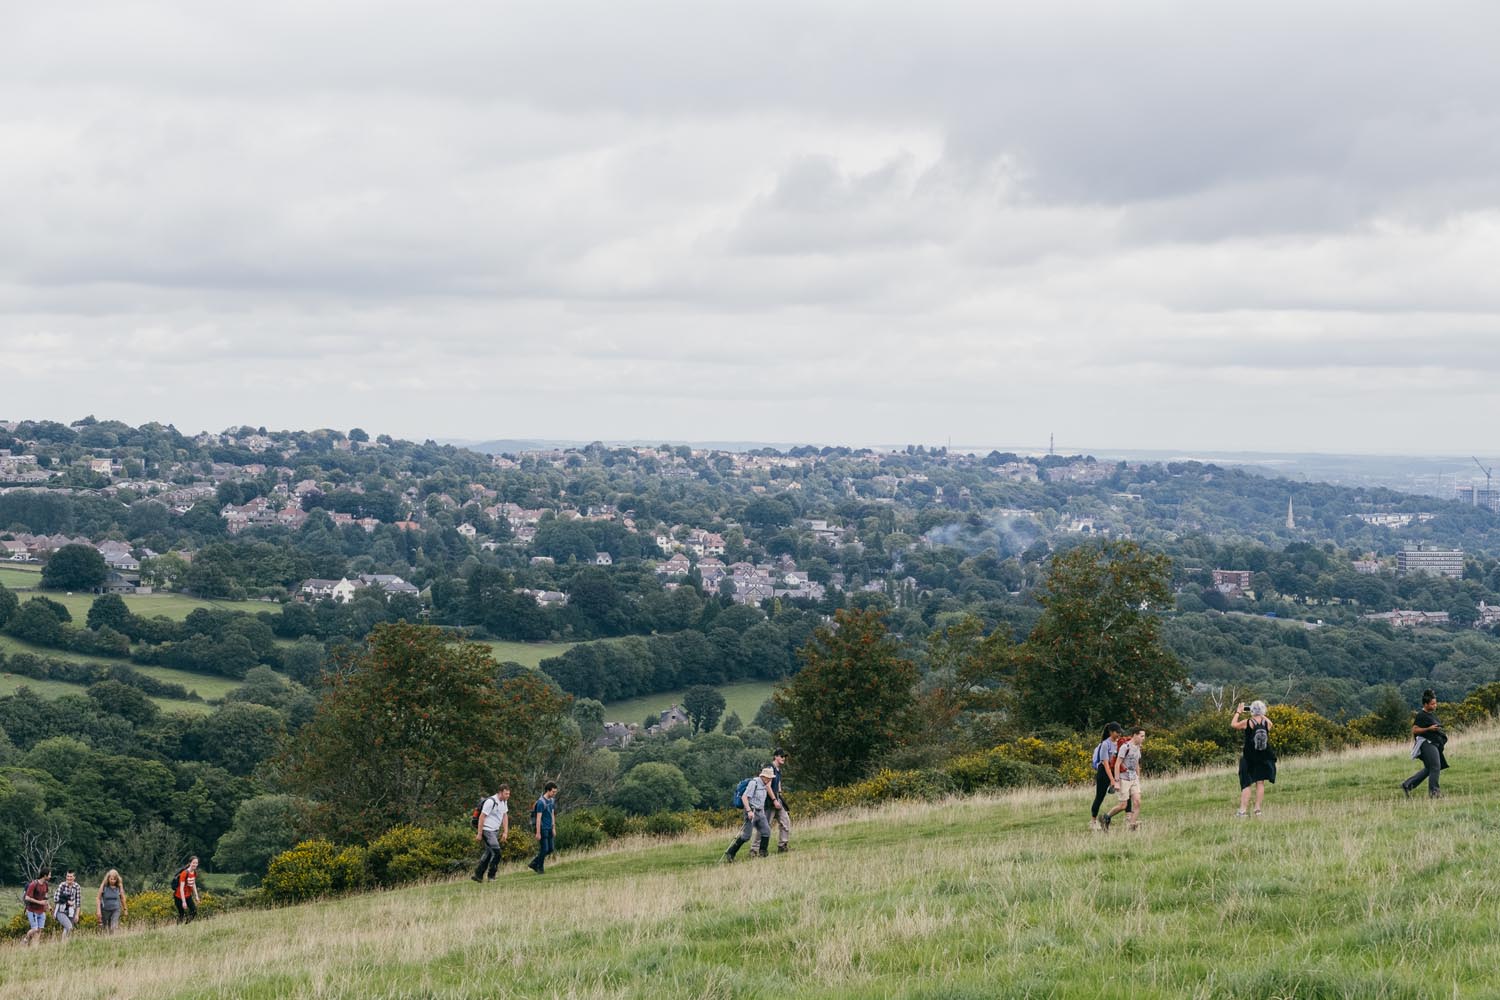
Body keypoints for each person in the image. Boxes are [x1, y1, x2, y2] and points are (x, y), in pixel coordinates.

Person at [1232, 700, 1277, 817]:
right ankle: (1257, 810)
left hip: (1249, 757)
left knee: (1247, 784)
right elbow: (1271, 725)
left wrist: (1238, 712)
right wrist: (1261, 714)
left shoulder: (1247, 722)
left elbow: (1234, 725)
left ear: (1252, 710)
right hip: (1263, 756)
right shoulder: (1267, 723)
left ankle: (1242, 811)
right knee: (1260, 783)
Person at [1401, 689, 1448, 799]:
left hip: (1433, 743)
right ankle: (1434, 793)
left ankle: (1407, 785)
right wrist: (1429, 729)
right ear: (1426, 704)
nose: (1435, 705)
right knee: (1436, 766)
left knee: (1429, 768)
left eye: (1435, 703)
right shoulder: (1421, 715)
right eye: (1432, 704)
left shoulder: (1431, 714)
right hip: (1427, 743)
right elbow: (1415, 730)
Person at [722, 767, 775, 862]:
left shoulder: (764, 785)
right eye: (770, 778)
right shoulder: (753, 783)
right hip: (751, 812)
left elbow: (761, 800)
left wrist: (762, 810)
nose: (771, 779)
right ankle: (731, 853)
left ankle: (763, 853)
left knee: (766, 831)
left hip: (760, 811)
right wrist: (749, 811)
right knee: (746, 836)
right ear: (765, 777)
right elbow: (744, 797)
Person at [1103, 729, 1146, 831]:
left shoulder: (1138, 747)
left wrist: (1138, 777)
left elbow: (1136, 763)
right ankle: (1106, 817)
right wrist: (1116, 782)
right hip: (1123, 778)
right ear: (1134, 735)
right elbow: (1117, 764)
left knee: (1137, 802)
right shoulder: (1125, 747)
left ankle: (1132, 826)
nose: (1143, 738)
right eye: (1141, 736)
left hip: (1134, 778)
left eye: (1144, 736)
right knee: (1123, 805)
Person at [472, 783, 511, 882]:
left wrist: (505, 832)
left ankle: (478, 875)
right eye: (506, 794)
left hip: (495, 831)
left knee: (489, 853)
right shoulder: (490, 801)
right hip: (487, 830)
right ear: (500, 792)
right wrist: (479, 833)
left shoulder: (504, 802)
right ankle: (491, 876)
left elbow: (505, 816)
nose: (508, 796)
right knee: (497, 853)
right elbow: (482, 817)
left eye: (508, 794)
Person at [1090, 723, 1124, 831]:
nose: (1119, 734)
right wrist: (1112, 780)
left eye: (1120, 732)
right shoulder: (1105, 744)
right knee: (1100, 796)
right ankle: (1093, 821)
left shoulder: (1119, 743)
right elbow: (1105, 764)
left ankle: (1129, 818)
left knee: (1126, 794)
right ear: (1111, 732)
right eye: (1117, 732)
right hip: (1104, 772)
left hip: (1115, 771)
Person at [757, 749, 791, 855]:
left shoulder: (778, 770)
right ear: (775, 756)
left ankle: (782, 846)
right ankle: (754, 850)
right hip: (769, 802)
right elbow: (767, 786)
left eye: (784, 756)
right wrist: (774, 800)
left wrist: (779, 795)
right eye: (781, 756)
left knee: (785, 822)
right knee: (765, 826)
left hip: (777, 800)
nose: (783, 758)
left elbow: (778, 784)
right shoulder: (770, 768)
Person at [527, 783, 558, 874]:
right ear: (548, 790)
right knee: (544, 849)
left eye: (555, 792)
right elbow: (538, 818)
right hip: (542, 828)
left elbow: (552, 814)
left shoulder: (552, 800)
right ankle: (540, 868)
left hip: (549, 828)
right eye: (553, 791)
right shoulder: (541, 802)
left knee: (550, 849)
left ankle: (534, 863)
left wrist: (553, 827)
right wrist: (538, 832)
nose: (554, 793)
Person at [22, 868, 50, 945]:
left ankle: (35, 946)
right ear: (45, 875)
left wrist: (48, 905)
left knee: (40, 930)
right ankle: (25, 940)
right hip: (32, 910)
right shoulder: (33, 884)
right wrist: (39, 902)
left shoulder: (46, 884)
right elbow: (27, 897)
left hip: (42, 911)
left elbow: (45, 896)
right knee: (34, 929)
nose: (50, 876)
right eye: (49, 874)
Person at [52, 870, 82, 939]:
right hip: (61, 911)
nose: (69, 878)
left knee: (67, 929)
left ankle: (64, 945)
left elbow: (78, 902)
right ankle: (63, 944)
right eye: (68, 876)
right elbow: (56, 898)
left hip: (71, 911)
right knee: (69, 927)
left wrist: (77, 915)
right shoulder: (62, 885)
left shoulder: (77, 887)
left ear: (74, 877)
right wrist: (67, 902)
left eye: (71, 876)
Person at [172, 856, 201, 923]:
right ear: (190, 863)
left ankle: (186, 925)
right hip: (179, 897)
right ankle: (178, 929)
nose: (195, 864)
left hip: (188, 895)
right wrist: (184, 901)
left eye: (196, 863)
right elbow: (181, 888)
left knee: (194, 911)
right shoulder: (184, 873)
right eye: (193, 863)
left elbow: (193, 884)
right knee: (181, 914)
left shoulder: (194, 872)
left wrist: (196, 896)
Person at [97, 869, 128, 933]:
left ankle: (114, 938)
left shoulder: (119, 886)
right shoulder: (104, 886)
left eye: (114, 879)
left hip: (116, 909)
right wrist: (98, 911)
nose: (113, 881)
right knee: (105, 928)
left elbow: (122, 898)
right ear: (108, 878)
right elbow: (98, 898)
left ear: (117, 879)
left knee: (113, 927)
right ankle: (107, 940)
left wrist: (125, 909)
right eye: (111, 879)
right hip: (105, 910)